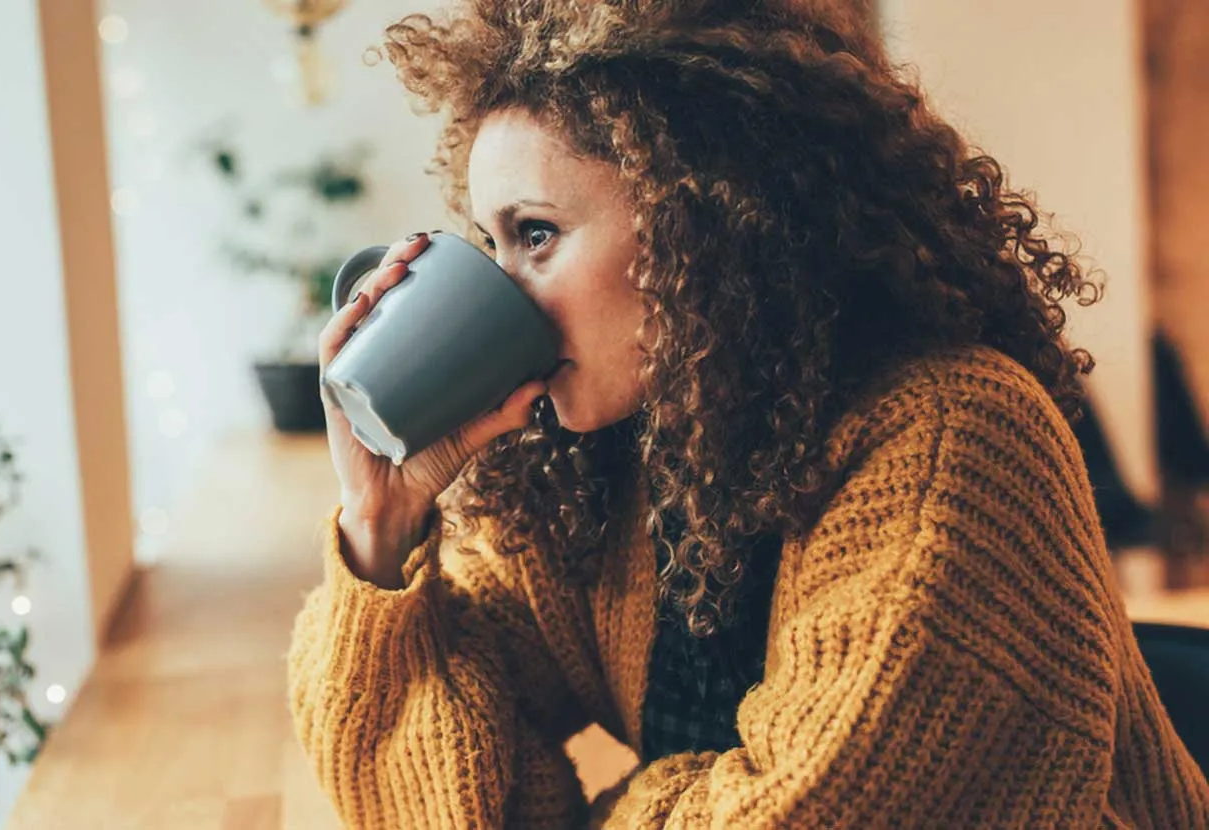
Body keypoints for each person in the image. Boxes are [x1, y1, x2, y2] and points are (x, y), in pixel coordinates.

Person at [287, 0, 1209, 826]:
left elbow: (798, 812)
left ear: (709, 218)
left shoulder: (953, 439)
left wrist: (614, 806)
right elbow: (439, 800)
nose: (505, 290)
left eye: (537, 235)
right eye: (489, 241)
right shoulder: (615, 455)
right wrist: (382, 519)